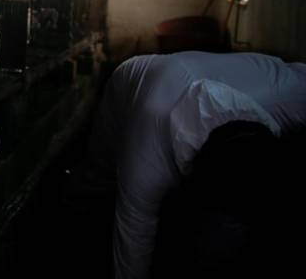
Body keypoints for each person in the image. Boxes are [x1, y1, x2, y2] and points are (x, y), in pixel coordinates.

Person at [76, 51, 306, 279]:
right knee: (100, 172)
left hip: (231, 79)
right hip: (132, 77)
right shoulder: (145, 166)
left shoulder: (288, 100)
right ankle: (72, 206)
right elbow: (133, 240)